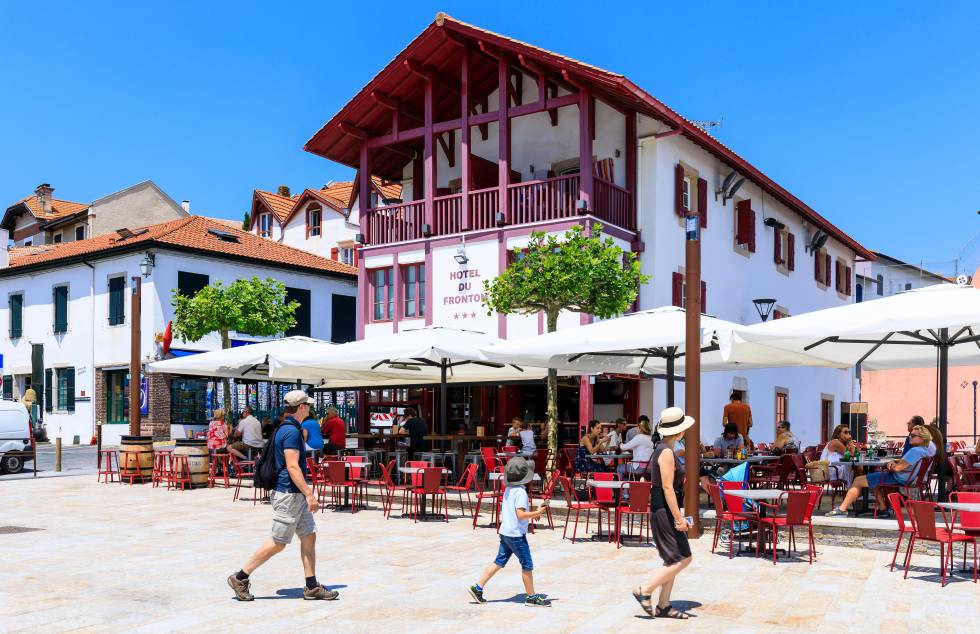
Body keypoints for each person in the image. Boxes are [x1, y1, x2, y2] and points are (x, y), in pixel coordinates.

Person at [227, 390, 338, 601]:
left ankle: (312, 586)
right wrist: (309, 493)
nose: (310, 409)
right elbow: (293, 466)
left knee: (308, 534)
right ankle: (240, 577)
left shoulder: (287, 428)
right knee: (278, 542)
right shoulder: (292, 432)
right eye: (308, 406)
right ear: (302, 407)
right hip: (289, 493)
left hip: (293, 493)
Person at [632, 407, 694, 620]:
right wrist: (679, 518)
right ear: (680, 431)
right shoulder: (666, 452)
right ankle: (645, 590)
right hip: (664, 510)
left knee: (673, 558)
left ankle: (664, 605)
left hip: (663, 508)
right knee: (683, 558)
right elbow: (667, 488)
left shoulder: (664, 448)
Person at [468, 456, 550, 607]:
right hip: (516, 535)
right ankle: (531, 597)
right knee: (527, 564)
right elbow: (520, 515)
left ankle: (477, 587)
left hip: (505, 532)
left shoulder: (509, 490)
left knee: (499, 562)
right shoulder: (521, 493)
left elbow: (515, 514)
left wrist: (533, 514)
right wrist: (537, 513)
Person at [827, 425, 932, 517]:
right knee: (872, 481)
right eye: (910, 435)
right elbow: (904, 462)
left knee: (858, 480)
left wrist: (891, 465)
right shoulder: (922, 450)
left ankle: (842, 509)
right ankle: (883, 509)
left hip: (897, 477)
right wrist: (895, 462)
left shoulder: (915, 450)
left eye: (913, 436)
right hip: (904, 477)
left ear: (922, 438)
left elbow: (897, 468)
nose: (910, 437)